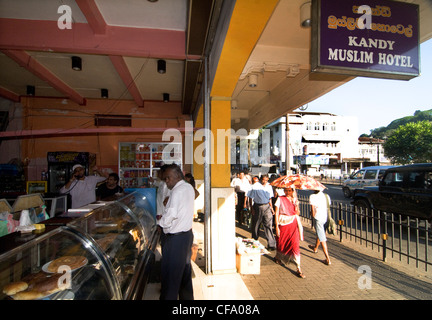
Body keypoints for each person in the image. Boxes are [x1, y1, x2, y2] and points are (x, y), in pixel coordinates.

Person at [158, 164, 195, 300]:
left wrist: (160, 223)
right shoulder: (188, 187)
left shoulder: (177, 191)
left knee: (170, 278)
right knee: (184, 274)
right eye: (165, 178)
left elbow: (170, 216)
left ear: (177, 176)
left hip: (176, 239)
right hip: (186, 236)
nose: (166, 181)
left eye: (168, 178)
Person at [274, 186, 305, 278]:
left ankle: (298, 268)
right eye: (286, 190)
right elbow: (276, 213)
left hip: (293, 224)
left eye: (289, 190)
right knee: (281, 243)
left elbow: (297, 213)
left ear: (292, 191)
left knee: (294, 245)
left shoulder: (295, 200)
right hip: (283, 224)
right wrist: (276, 226)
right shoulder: (280, 199)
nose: (287, 192)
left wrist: (297, 205)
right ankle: (278, 257)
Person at [247, 176, 276, 251]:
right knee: (256, 225)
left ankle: (271, 244)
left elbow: (270, 198)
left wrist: (271, 208)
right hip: (257, 206)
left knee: (268, 225)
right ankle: (254, 241)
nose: (265, 182)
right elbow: (250, 197)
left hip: (267, 206)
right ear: (260, 180)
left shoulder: (269, 186)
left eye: (266, 180)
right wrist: (251, 208)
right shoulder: (255, 186)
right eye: (263, 180)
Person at [308, 189, 332, 265]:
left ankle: (327, 259)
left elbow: (313, 212)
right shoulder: (326, 196)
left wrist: (312, 213)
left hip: (318, 219)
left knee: (322, 238)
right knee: (320, 233)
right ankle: (315, 248)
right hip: (325, 217)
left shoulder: (312, 196)